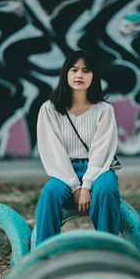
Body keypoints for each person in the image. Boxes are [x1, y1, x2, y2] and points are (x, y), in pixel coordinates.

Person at [35, 50, 120, 246]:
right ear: (66, 74)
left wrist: (87, 185)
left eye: (86, 70)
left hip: (99, 169)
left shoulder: (104, 110)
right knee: (50, 193)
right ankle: (44, 256)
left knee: (106, 190)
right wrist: (75, 187)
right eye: (74, 70)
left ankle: (108, 252)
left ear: (94, 76)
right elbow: (54, 152)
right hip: (65, 169)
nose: (79, 75)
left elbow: (101, 151)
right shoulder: (49, 109)